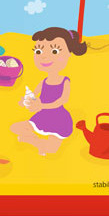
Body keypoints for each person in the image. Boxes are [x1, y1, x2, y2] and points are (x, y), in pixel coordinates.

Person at [11, 27, 87, 155]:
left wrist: (42, 106)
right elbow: (33, 95)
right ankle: (37, 142)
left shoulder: (64, 81)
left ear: (68, 53)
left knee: (51, 150)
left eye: (55, 51)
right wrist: (25, 101)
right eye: (38, 51)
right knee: (14, 127)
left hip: (59, 120)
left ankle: (34, 142)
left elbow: (62, 100)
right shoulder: (43, 82)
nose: (44, 56)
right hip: (41, 117)